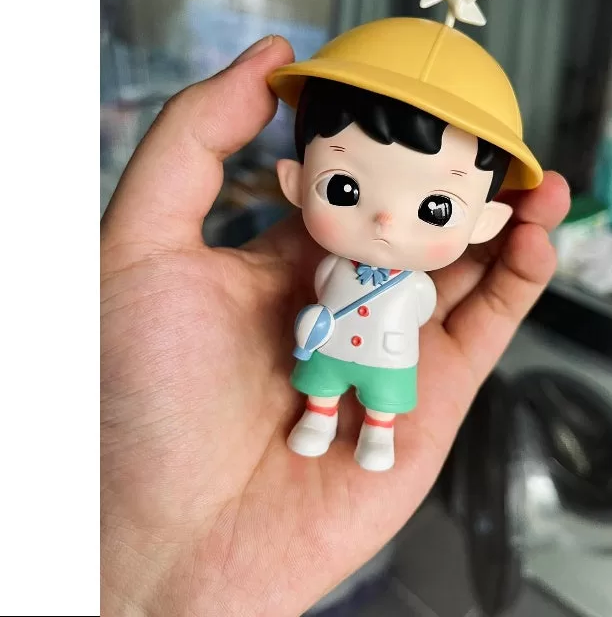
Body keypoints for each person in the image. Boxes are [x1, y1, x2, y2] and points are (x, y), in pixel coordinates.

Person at [100, 35, 570, 616]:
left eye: (436, 208)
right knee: (320, 390)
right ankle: (319, 421)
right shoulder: (334, 268)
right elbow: (325, 296)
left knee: (382, 404)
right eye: (344, 188)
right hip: (332, 348)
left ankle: (377, 435)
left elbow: (419, 310)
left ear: (485, 223)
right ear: (296, 182)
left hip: (388, 357)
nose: (385, 219)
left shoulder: (415, 285)